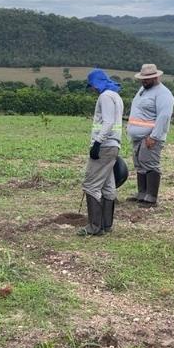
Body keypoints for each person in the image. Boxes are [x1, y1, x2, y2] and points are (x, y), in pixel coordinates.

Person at [79, 68, 124, 236]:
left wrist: (97, 143)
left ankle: (94, 227)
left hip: (104, 145)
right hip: (114, 145)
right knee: (108, 186)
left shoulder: (105, 97)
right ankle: (106, 224)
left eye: (92, 86)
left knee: (91, 185)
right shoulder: (116, 96)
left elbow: (108, 122)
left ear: (96, 83)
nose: (93, 89)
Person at [126, 63, 174, 207]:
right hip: (138, 136)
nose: (144, 81)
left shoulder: (163, 94)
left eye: (147, 79)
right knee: (140, 163)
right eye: (142, 78)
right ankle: (142, 194)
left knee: (150, 164)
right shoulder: (143, 90)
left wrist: (155, 136)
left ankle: (151, 197)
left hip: (150, 136)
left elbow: (164, 116)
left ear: (156, 77)